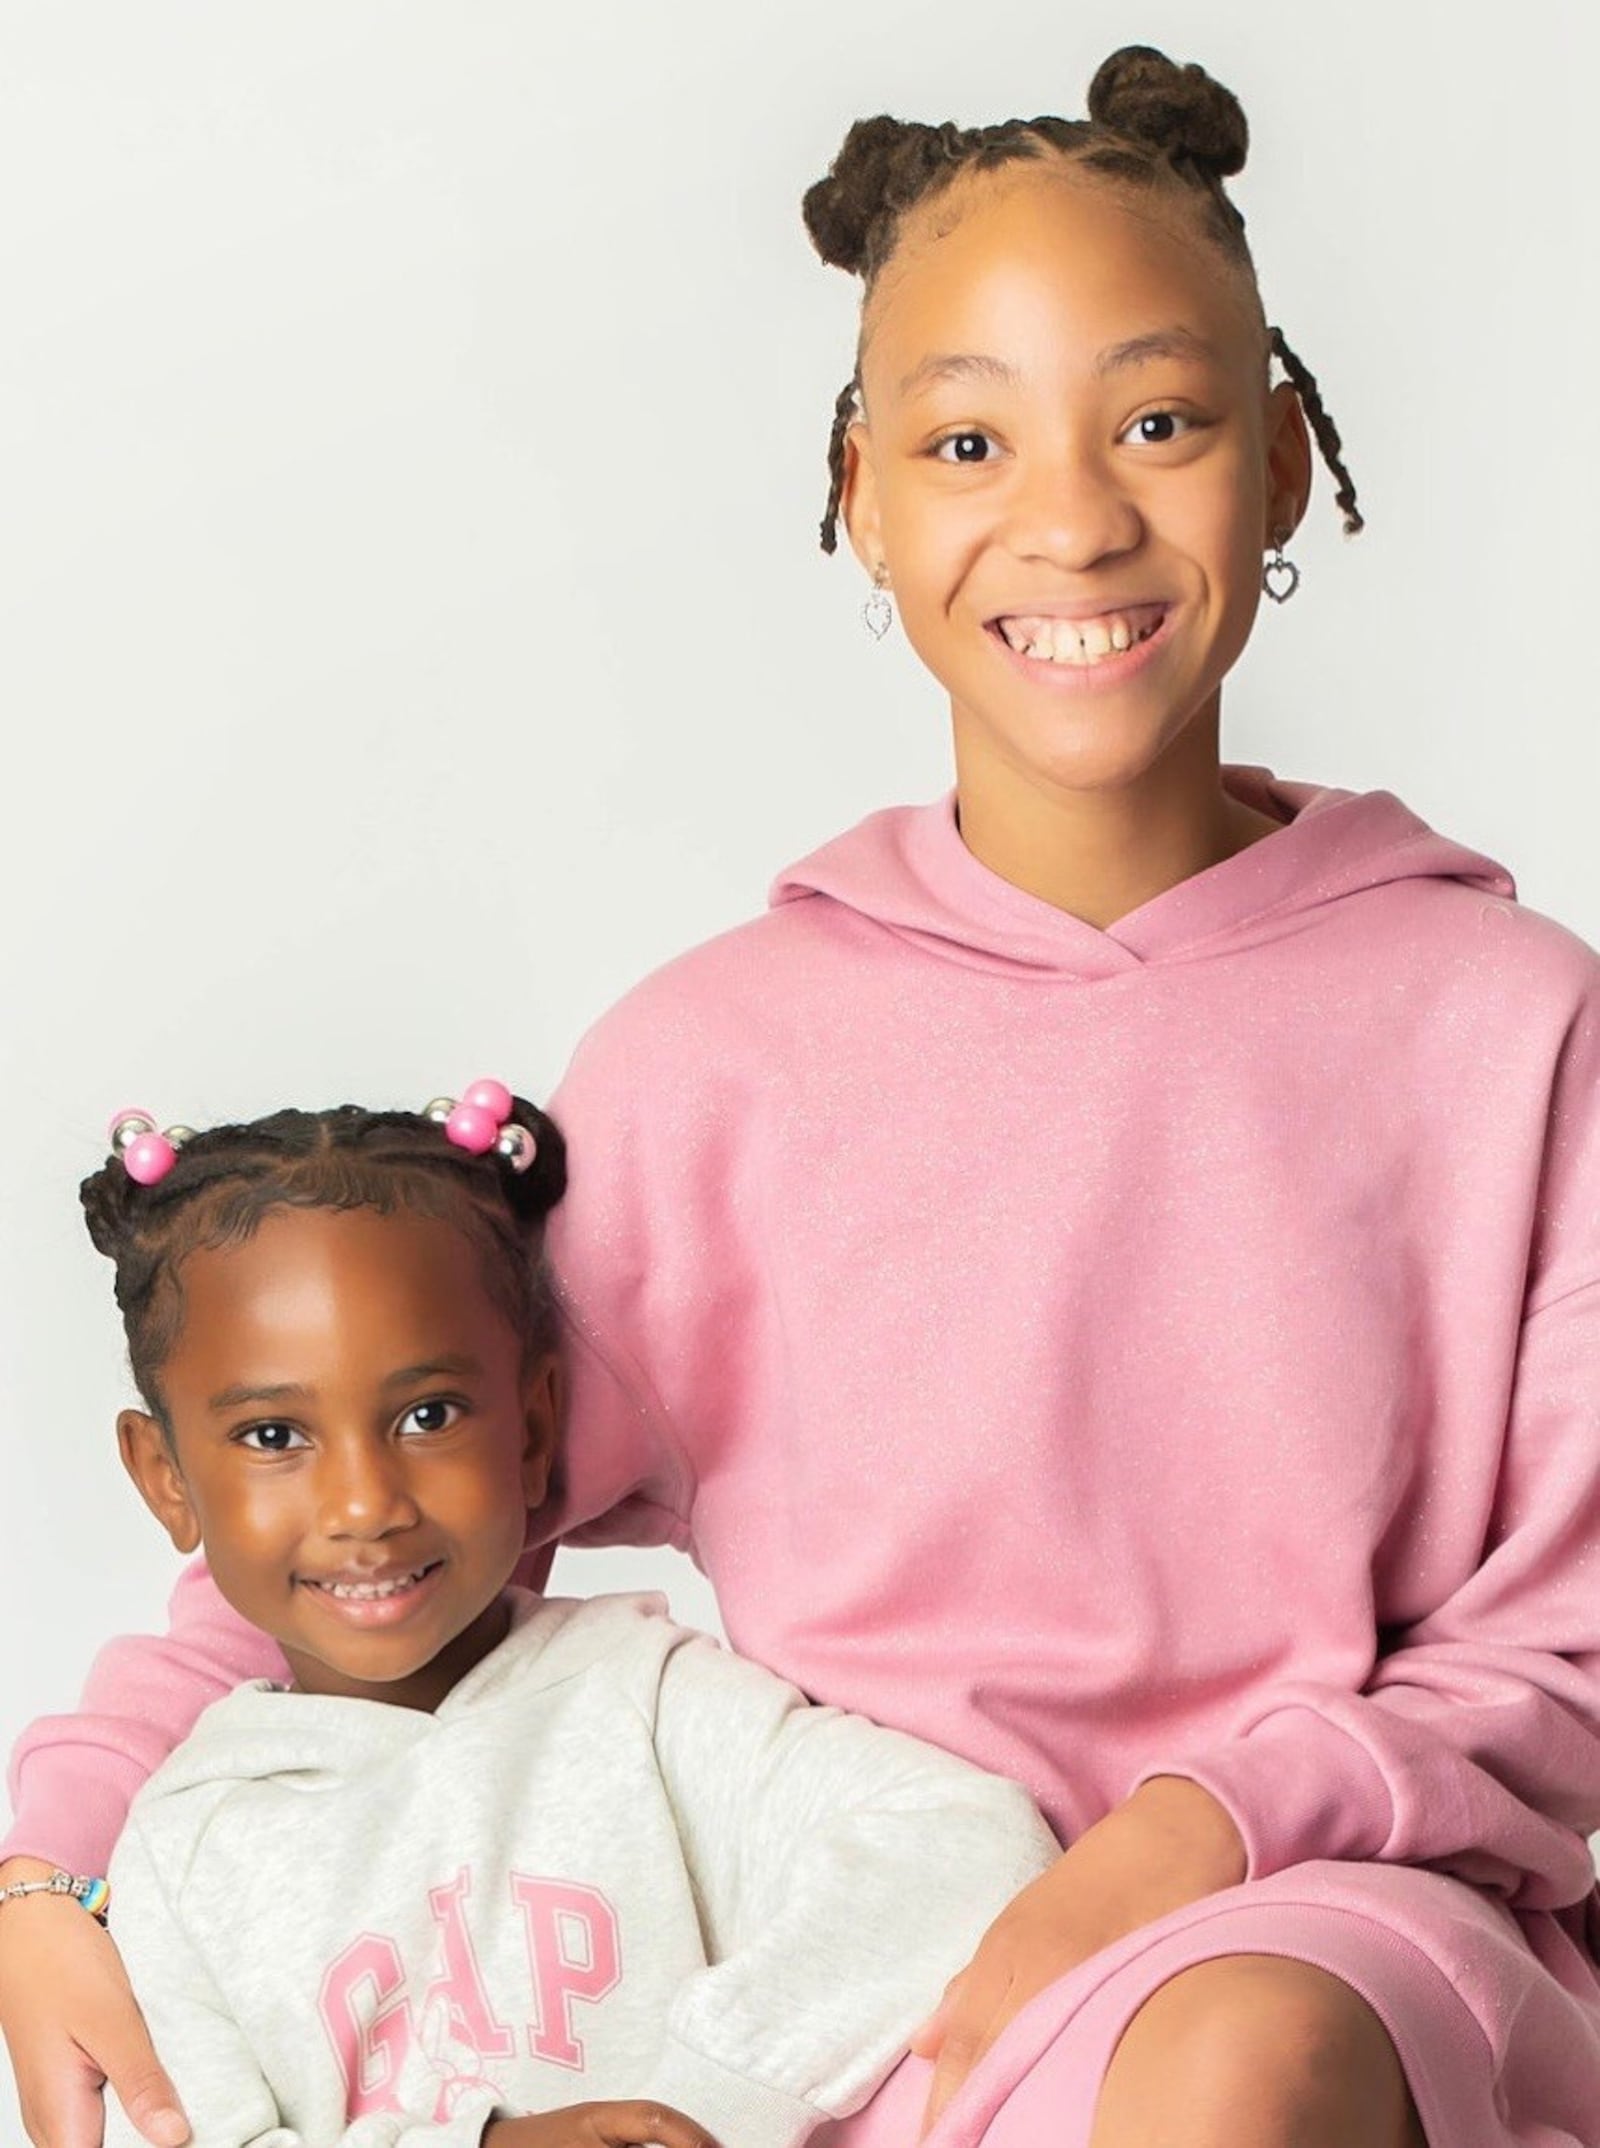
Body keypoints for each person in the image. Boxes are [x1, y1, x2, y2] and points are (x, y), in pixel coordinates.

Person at [4, 42, 1599, 2148]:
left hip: (1318, 1933)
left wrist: (1191, 1836)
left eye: (1158, 418)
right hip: (856, 1979)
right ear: (855, 490)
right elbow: (385, 1519)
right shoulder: (709, 1067)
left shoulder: (1506, 1023)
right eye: (963, 439)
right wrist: (53, 1866)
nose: (1069, 516)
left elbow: (1558, 1657)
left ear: (1284, 459)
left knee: (1233, 2063)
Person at [44, 1087, 1056, 2148]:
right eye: (272, 1436)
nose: (364, 1505)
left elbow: (964, 1841)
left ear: (530, 1429)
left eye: (426, 1415)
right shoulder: (178, 1847)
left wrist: (705, 2102)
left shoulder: (643, 1699)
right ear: (164, 1478)